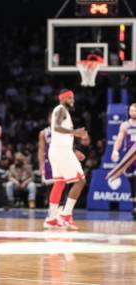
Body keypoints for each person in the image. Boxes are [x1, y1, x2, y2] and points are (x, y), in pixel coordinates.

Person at [43, 90, 87, 230]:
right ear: (63, 98)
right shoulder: (61, 109)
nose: (72, 99)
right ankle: (66, 215)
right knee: (80, 181)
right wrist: (74, 132)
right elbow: (56, 127)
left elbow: (59, 135)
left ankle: (51, 218)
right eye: (70, 97)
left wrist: (73, 151)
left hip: (57, 150)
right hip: (61, 151)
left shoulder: (62, 111)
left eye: (73, 97)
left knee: (59, 183)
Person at [111, 103, 136, 219]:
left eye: (135, 111)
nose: (133, 113)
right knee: (132, 182)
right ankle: (134, 206)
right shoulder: (125, 125)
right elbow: (120, 139)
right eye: (131, 110)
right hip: (128, 157)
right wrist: (115, 150)